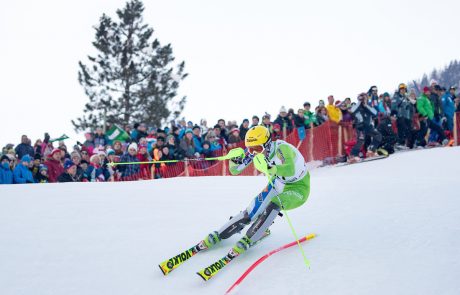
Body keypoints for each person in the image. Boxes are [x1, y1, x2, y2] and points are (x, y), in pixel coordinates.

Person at [195, 125, 310, 269]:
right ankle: (219, 234)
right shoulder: (254, 151)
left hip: (299, 188)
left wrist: (272, 168)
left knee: (274, 203)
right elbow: (235, 171)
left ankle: (252, 236)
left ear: (267, 143)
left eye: (257, 148)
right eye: (250, 148)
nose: (254, 152)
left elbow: (290, 168)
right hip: (278, 182)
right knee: (252, 210)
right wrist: (233, 161)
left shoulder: (282, 148)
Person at [349, 93, 382, 162]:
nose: (364, 99)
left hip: (368, 126)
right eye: (362, 98)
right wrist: (359, 102)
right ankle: (352, 156)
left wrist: (366, 105)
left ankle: (371, 151)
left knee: (378, 135)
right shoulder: (357, 106)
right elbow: (352, 110)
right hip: (360, 126)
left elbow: (375, 113)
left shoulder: (368, 105)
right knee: (361, 141)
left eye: (365, 97)